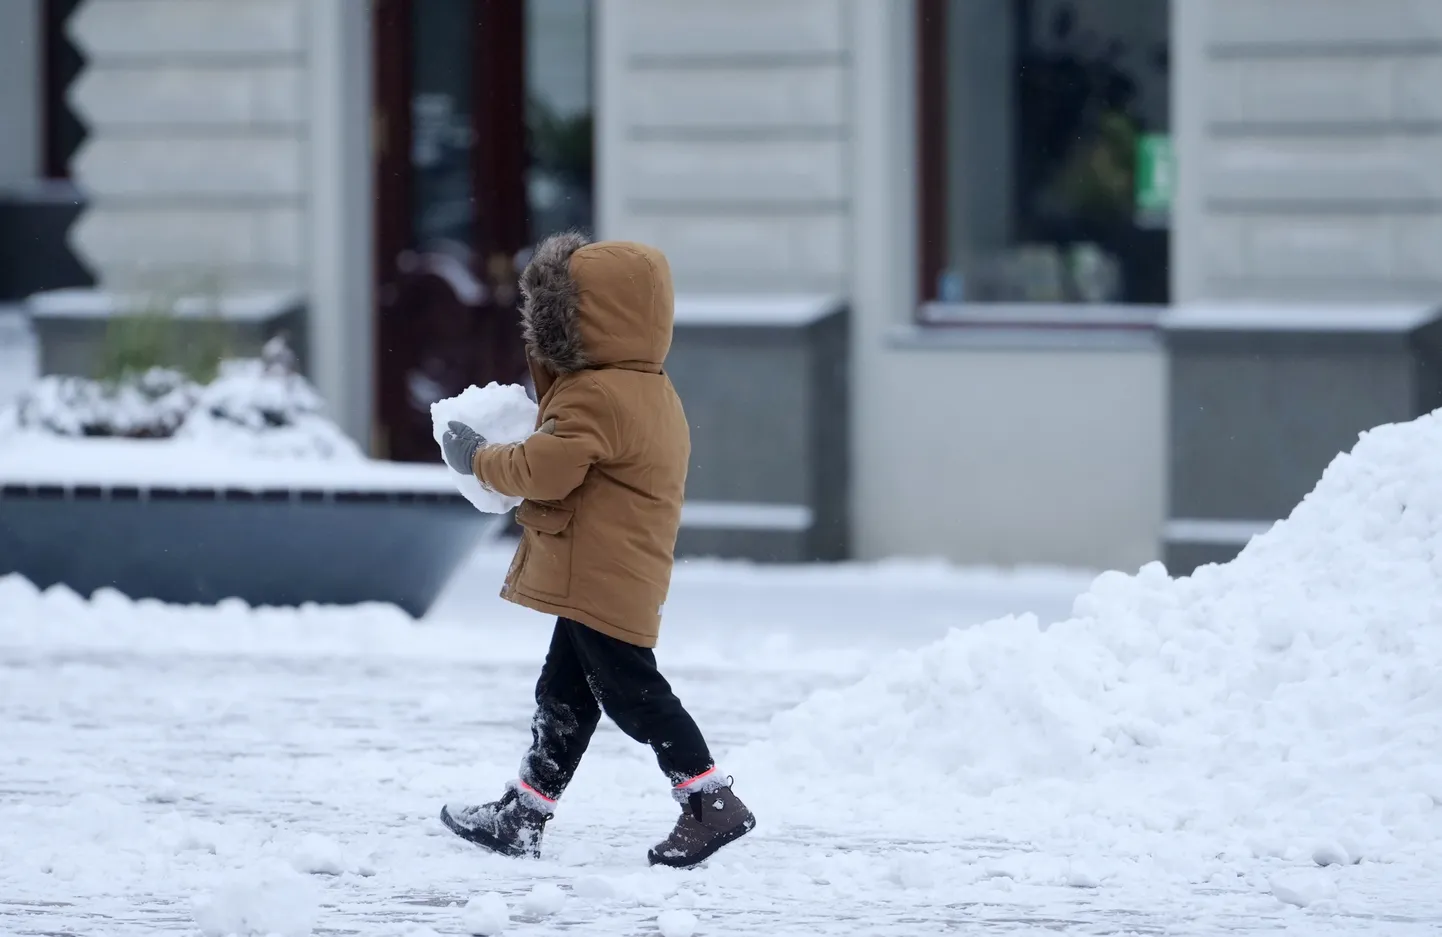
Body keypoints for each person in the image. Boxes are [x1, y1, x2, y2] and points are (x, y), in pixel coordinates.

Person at [437, 232, 755, 869]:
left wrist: (475, 457)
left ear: (573, 321)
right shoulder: (650, 389)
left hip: (598, 575)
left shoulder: (595, 394)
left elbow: (540, 470)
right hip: (614, 569)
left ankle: (710, 798)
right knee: (565, 694)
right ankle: (524, 812)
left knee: (632, 694)